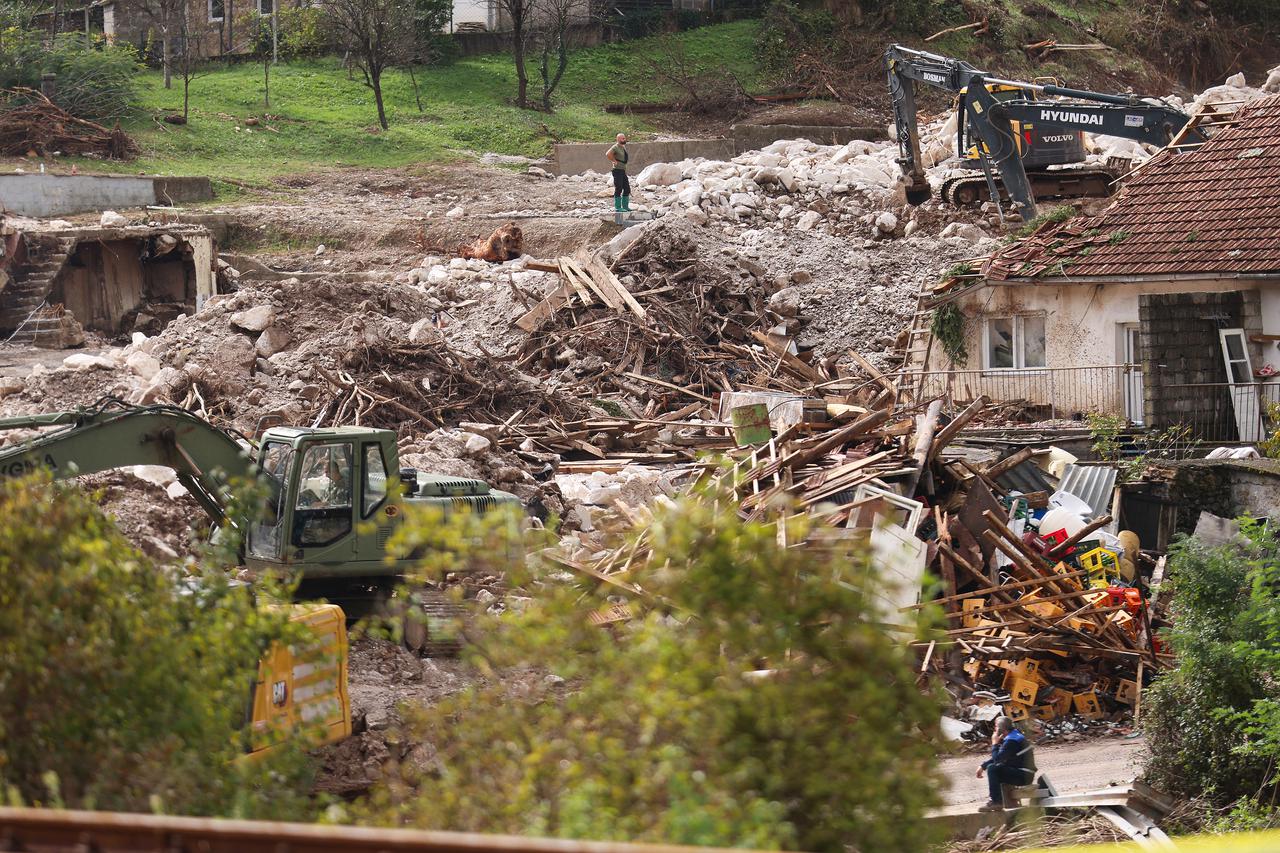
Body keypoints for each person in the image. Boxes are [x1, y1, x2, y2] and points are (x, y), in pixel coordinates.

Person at [976, 715, 1035, 810]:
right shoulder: (1014, 736)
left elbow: (998, 759)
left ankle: (996, 802)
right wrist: (983, 766)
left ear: (1000, 729)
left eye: (995, 726)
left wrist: (994, 743)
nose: (994, 729)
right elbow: (1002, 756)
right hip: (1023, 773)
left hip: (1024, 776)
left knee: (993, 769)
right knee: (997, 767)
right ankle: (1008, 801)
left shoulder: (1012, 741)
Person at [606, 132, 631, 214]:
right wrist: (613, 161)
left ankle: (625, 206)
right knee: (619, 188)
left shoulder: (623, 147)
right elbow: (608, 154)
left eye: (624, 138)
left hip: (622, 171)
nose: (624, 139)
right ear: (618, 139)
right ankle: (618, 207)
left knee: (627, 188)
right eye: (622, 138)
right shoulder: (615, 147)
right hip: (617, 171)